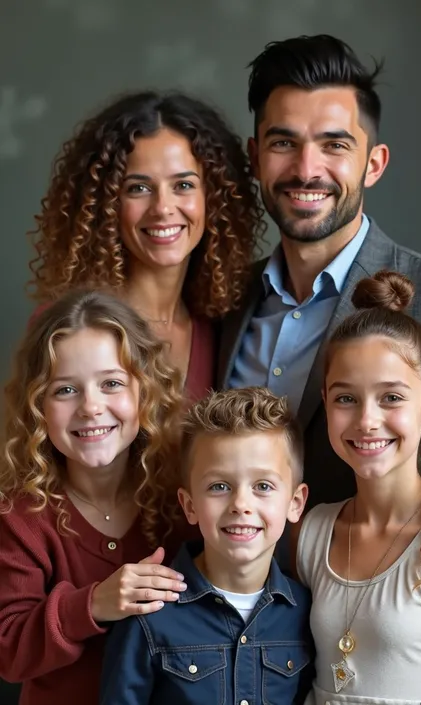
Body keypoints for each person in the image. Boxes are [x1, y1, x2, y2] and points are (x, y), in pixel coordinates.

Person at [218, 34, 421, 519]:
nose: (306, 169)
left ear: (373, 164)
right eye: (283, 143)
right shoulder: (225, 300)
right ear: (255, 158)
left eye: (334, 144)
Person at [0, 291, 190, 705]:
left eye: (112, 384)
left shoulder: (183, 502)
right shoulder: (21, 516)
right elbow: (8, 650)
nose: (90, 407)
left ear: (146, 391)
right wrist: (94, 603)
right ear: (37, 406)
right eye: (65, 390)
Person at [297, 270, 421, 704]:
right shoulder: (310, 532)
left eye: (391, 397)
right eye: (346, 398)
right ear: (326, 401)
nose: (366, 420)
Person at [29, 90, 266, 400]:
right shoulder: (66, 329)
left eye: (183, 185)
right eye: (138, 188)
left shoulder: (224, 329)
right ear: (105, 204)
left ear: (215, 198)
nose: (162, 208)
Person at [100, 387, 315, 705]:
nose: (241, 504)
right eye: (219, 486)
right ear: (189, 505)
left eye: (263, 486)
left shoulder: (305, 612)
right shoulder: (148, 613)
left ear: (295, 503)